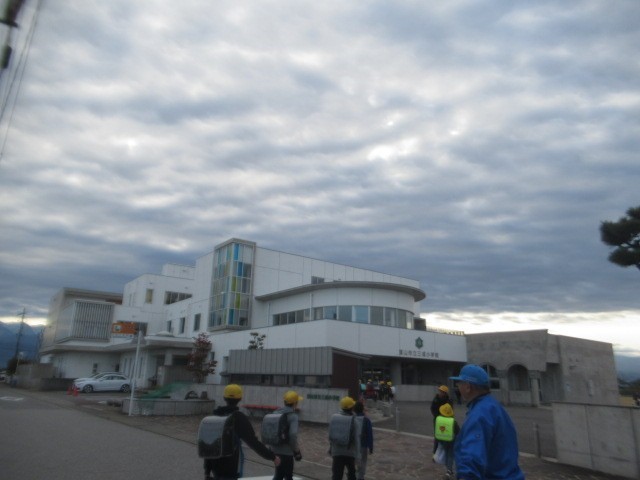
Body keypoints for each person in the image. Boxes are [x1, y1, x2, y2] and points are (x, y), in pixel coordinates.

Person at [450, 365, 525, 480]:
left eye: (459, 383)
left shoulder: (479, 414)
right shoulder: (494, 407)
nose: (457, 386)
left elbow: (472, 457)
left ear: (468, 387)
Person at [203, 384, 280, 480]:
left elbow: (208, 444)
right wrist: (272, 457)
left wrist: (207, 471)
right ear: (240, 398)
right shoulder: (238, 418)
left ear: (224, 398)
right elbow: (253, 442)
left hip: (215, 466)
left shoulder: (214, 416)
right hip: (231, 466)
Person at [269, 390, 303, 480]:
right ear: (295, 403)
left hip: (275, 450)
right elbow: (293, 435)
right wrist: (296, 451)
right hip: (286, 452)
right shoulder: (293, 416)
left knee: (278, 474)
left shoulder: (276, 413)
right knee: (288, 476)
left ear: (284, 402)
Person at [329, 396, 360, 480]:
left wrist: (331, 448)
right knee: (351, 475)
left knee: (336, 476)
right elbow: (357, 440)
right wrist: (358, 456)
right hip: (350, 453)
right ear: (352, 408)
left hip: (336, 452)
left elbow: (330, 435)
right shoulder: (354, 421)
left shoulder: (334, 418)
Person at [434, 403, 459, 478]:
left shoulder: (438, 420)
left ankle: (448, 469)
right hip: (451, 440)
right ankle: (449, 470)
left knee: (446, 454)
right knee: (450, 455)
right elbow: (458, 431)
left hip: (442, 440)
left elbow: (436, 432)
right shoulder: (453, 421)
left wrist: (435, 447)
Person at [353, 401, 373, 480]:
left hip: (354, 445)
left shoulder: (352, 418)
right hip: (363, 445)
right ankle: (361, 477)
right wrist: (371, 447)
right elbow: (369, 434)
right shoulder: (366, 420)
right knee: (363, 461)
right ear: (362, 409)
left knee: (354, 461)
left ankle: (354, 475)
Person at [431, 385, 451, 453]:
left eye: (442, 392)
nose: (441, 393)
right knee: (437, 436)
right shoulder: (436, 399)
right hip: (437, 420)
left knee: (446, 436)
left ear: (445, 393)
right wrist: (437, 416)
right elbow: (432, 408)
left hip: (446, 420)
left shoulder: (448, 400)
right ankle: (435, 452)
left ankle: (444, 451)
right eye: (440, 391)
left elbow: (450, 410)